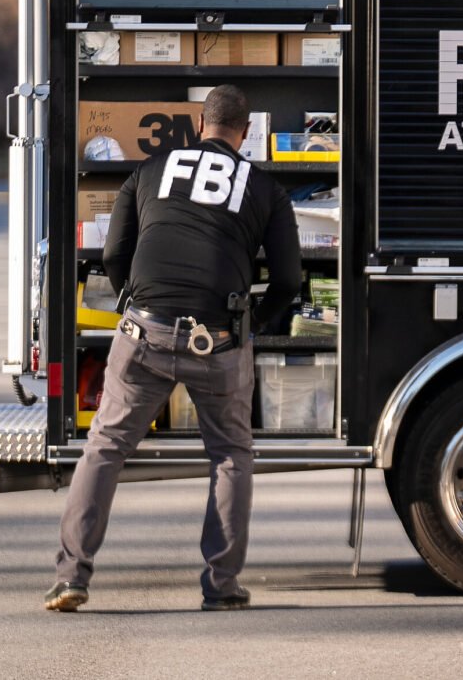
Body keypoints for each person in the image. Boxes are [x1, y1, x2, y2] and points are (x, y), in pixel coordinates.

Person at [45, 85, 302, 613]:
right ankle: (222, 586)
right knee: (230, 455)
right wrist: (252, 324)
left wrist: (136, 303)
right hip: (218, 339)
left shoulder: (149, 169)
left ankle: (71, 578)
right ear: (246, 132)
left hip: (144, 332)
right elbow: (288, 281)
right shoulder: (266, 189)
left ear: (199, 125)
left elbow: (113, 253)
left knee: (105, 447)